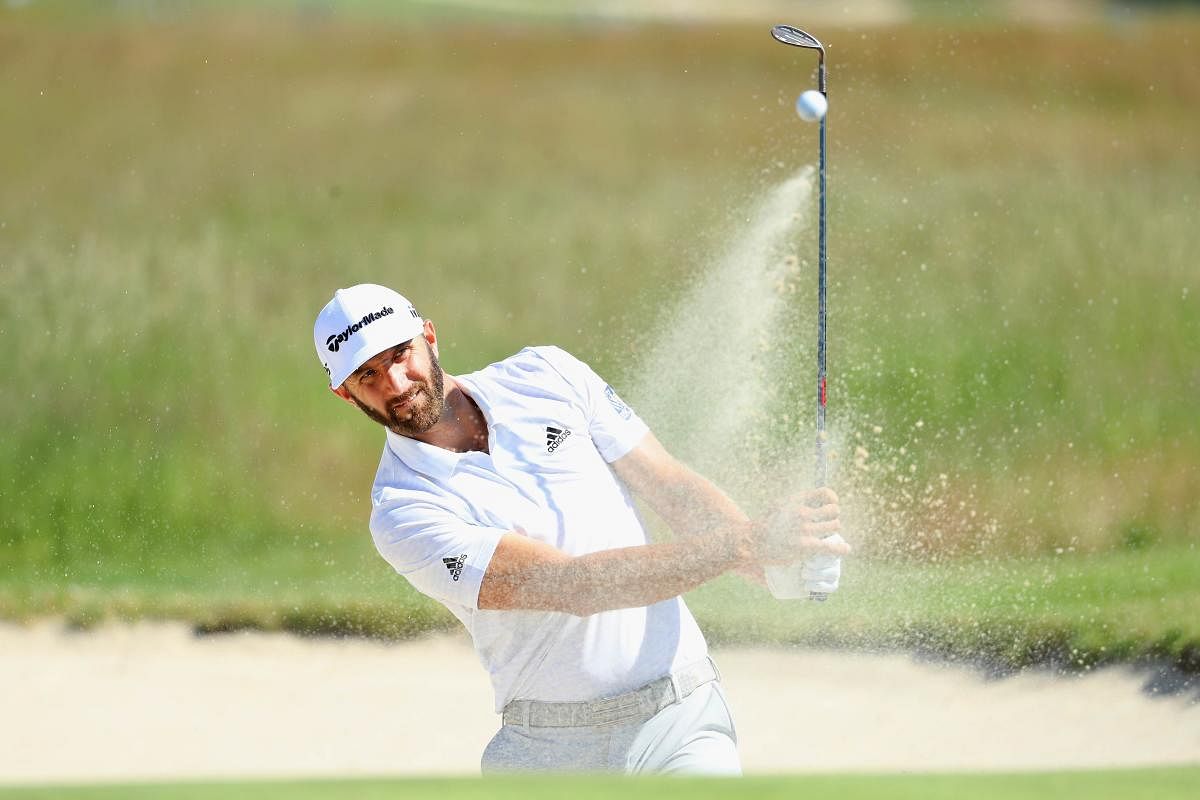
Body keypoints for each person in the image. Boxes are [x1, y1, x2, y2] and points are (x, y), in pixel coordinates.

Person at [313, 283, 848, 775]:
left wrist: (769, 562)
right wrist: (745, 543)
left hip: (680, 717)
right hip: (549, 752)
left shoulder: (546, 374)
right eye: (368, 376)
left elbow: (669, 485)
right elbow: (573, 586)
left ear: (428, 336)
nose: (396, 383)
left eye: (399, 356)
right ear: (346, 394)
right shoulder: (402, 510)